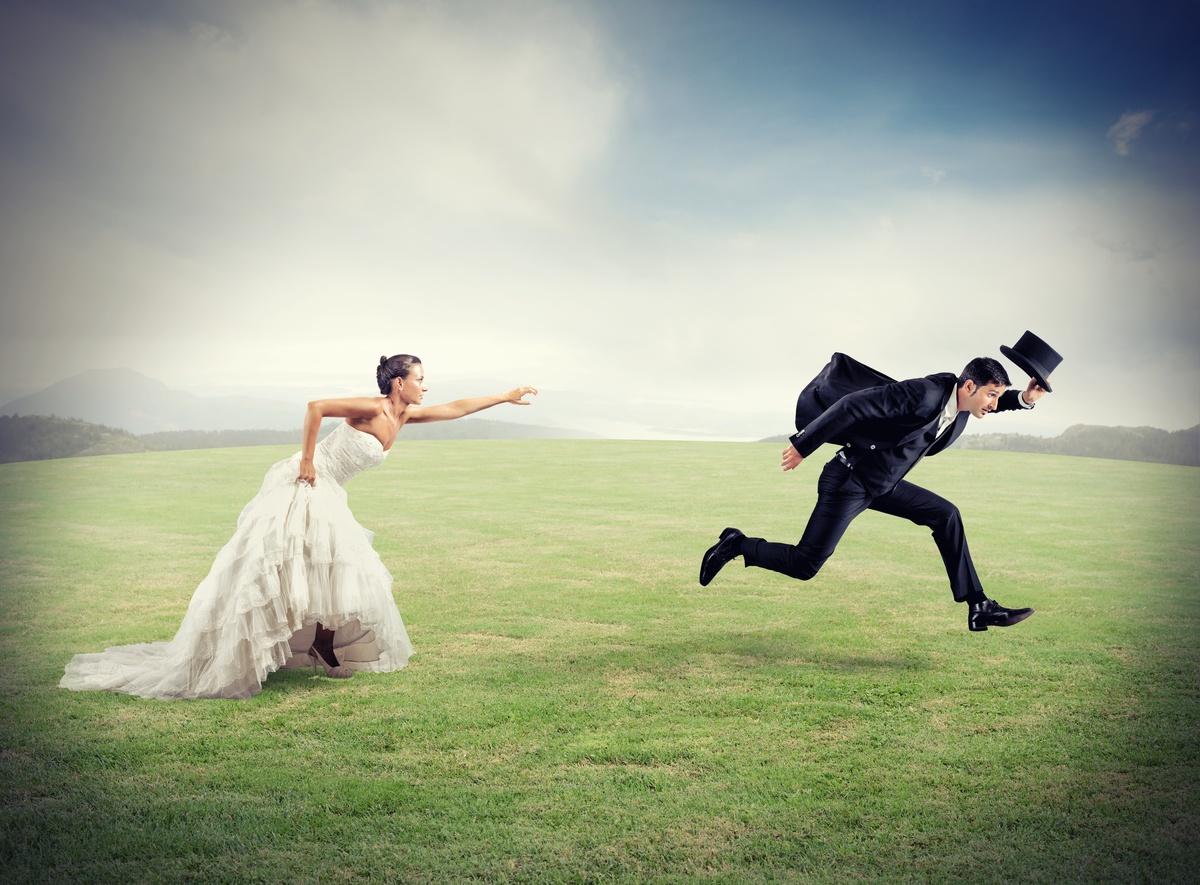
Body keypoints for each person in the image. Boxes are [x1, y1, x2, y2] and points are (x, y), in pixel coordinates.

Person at [61, 354, 538, 699]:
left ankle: (322, 650)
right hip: (307, 482)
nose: (425, 387)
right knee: (287, 567)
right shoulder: (370, 408)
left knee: (335, 569)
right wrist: (308, 460)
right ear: (397, 382)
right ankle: (248, 649)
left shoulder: (403, 415)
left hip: (331, 492)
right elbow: (315, 407)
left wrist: (504, 395)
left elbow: (456, 407)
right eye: (419, 379)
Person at [699, 334, 1062, 632]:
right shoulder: (923, 393)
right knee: (805, 564)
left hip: (883, 484)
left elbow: (996, 401)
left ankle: (978, 605)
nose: (995, 405)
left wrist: (1025, 399)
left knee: (945, 515)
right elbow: (852, 406)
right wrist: (803, 445)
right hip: (849, 480)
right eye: (991, 395)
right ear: (969, 385)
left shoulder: (963, 407)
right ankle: (737, 544)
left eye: (998, 396)